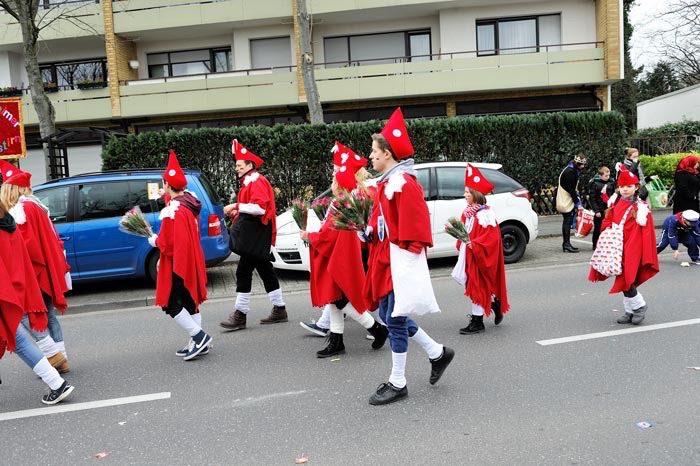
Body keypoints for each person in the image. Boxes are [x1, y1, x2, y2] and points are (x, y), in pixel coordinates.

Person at [363, 108, 454, 405]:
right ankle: (437, 353)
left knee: (395, 318)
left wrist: (403, 256)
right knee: (391, 316)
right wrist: (370, 232)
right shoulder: (389, 182)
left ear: (387, 153)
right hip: (388, 258)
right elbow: (385, 221)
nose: (370, 156)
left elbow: (416, 230)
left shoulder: (404, 183)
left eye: (374, 152)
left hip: (398, 261)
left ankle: (398, 381)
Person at [299, 142, 389, 357]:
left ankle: (376, 329)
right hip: (338, 255)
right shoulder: (343, 201)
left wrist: (309, 236)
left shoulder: (344, 203)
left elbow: (329, 235)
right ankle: (336, 340)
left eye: (335, 175)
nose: (332, 179)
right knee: (334, 298)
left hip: (338, 258)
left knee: (341, 299)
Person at [0, 191, 74, 405]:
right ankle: (56, 382)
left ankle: (57, 383)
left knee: (19, 339)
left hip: (6, 288)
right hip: (11, 287)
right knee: (18, 338)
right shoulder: (9, 220)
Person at [149, 150, 211, 360]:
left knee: (170, 302)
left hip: (177, 262)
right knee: (189, 298)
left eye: (164, 183)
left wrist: (153, 240)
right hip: (191, 258)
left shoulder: (172, 212)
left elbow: (166, 244)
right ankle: (196, 342)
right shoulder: (188, 202)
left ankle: (199, 336)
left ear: (167, 184)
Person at [220, 140, 288, 331]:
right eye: (236, 166)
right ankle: (280, 309)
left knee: (243, 271)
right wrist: (238, 212)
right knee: (265, 270)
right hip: (257, 234)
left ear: (250, 165)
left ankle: (240, 315)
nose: (237, 169)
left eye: (240, 166)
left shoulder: (256, 181)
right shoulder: (252, 180)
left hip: (256, 234)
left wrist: (236, 206)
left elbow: (259, 208)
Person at [589, 167, 659, 325]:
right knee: (622, 278)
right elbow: (608, 220)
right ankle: (630, 310)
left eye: (629, 186)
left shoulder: (640, 208)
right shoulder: (615, 202)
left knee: (627, 278)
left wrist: (632, 249)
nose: (625, 189)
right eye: (622, 187)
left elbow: (643, 233)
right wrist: (606, 232)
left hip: (631, 248)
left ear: (636, 187)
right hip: (616, 246)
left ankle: (640, 306)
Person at [454, 164, 510, 335]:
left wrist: (475, 245)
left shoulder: (485, 213)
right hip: (469, 254)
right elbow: (466, 230)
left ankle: (477, 321)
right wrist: (460, 239)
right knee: (466, 280)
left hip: (478, 254)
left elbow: (492, 238)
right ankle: (493, 302)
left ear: (475, 194)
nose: (465, 196)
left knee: (476, 284)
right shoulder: (467, 212)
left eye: (467, 193)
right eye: (465, 192)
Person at [556, 154, 586, 253]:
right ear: (576, 163)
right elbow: (571, 190)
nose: (583, 167)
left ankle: (566, 243)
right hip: (566, 199)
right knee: (567, 221)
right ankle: (566, 244)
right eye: (581, 164)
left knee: (567, 221)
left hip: (566, 198)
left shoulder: (570, 169)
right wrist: (577, 202)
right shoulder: (570, 172)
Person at [587, 166, 615, 250]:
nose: (608, 177)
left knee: (609, 227)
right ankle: (595, 244)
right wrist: (596, 210)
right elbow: (593, 198)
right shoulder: (595, 183)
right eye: (606, 176)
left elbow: (613, 195)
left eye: (608, 175)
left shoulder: (611, 182)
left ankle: (606, 243)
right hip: (599, 208)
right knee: (598, 227)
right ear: (600, 175)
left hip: (609, 208)